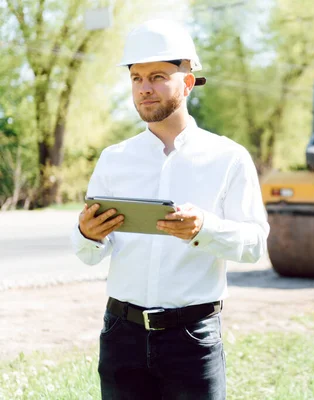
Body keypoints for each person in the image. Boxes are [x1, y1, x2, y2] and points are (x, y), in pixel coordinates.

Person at [70, 19, 269, 399]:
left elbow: (255, 244)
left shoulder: (228, 158)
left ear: (188, 82)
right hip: (120, 336)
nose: (144, 88)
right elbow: (90, 254)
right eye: (136, 78)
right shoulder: (113, 160)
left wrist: (204, 229)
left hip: (192, 341)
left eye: (158, 76)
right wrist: (87, 235)